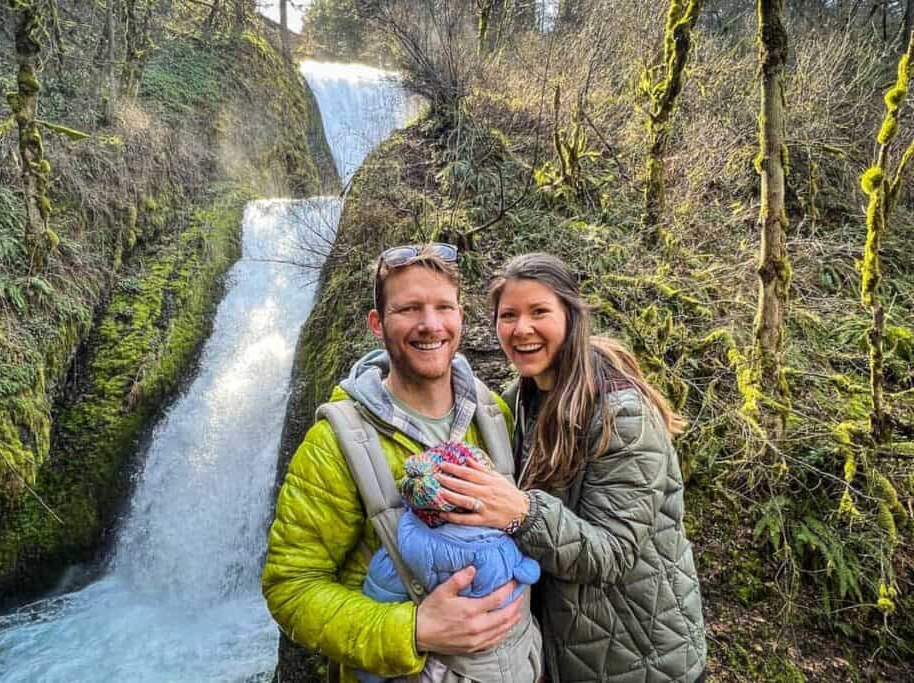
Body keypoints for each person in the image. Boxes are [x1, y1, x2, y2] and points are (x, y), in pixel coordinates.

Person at [261, 244, 535, 683]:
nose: (430, 324)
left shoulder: (494, 415)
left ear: (460, 318)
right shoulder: (333, 443)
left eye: (443, 307)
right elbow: (290, 587)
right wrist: (411, 630)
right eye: (409, 309)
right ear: (377, 324)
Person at [433, 253, 707, 683]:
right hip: (566, 653)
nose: (521, 329)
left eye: (539, 312)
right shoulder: (519, 401)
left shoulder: (621, 416)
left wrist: (523, 512)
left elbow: (611, 554)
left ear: (571, 317)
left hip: (639, 659)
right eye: (508, 315)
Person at [358, 443, 542, 683]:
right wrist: (416, 632)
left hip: (438, 671)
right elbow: (529, 570)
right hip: (509, 662)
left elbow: (380, 589)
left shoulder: (401, 544)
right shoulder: (497, 543)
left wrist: (374, 667)